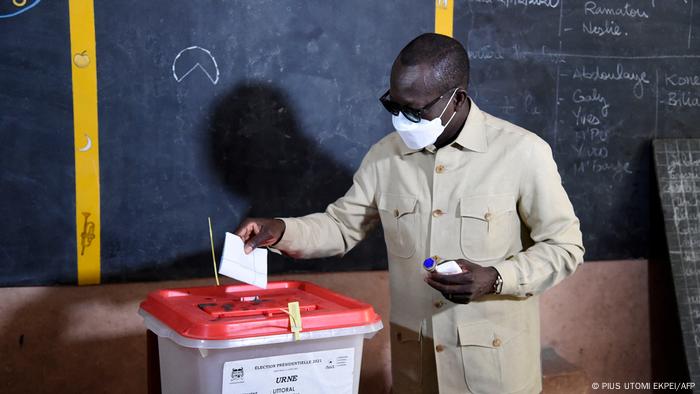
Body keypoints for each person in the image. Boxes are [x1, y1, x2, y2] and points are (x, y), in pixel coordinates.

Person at [234, 33, 584, 394]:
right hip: (415, 371)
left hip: (492, 373)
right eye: (394, 106)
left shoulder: (522, 153)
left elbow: (565, 248)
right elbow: (341, 227)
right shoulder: (385, 157)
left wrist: (496, 277)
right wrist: (282, 230)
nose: (402, 120)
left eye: (416, 111)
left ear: (457, 99)